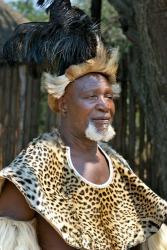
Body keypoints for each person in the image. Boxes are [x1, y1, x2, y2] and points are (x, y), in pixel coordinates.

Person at [0, 0, 167, 249]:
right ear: (63, 102)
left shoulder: (118, 166)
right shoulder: (38, 163)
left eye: (109, 96)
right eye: (91, 97)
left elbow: (149, 233)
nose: (104, 105)